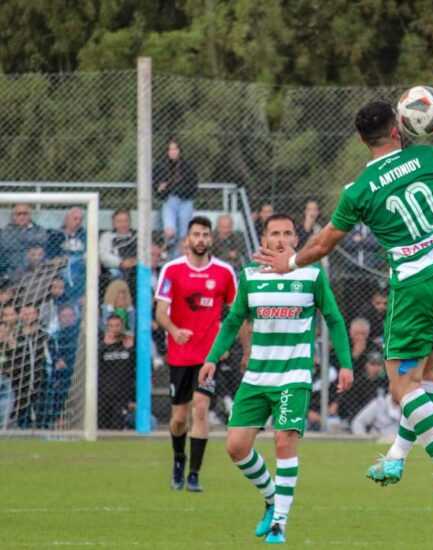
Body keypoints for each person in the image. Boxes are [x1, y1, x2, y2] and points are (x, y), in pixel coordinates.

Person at [254, 100, 433, 518]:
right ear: (398, 128)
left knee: (402, 387)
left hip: (416, 286)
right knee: (427, 377)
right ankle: (397, 456)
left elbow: (324, 243)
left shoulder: (359, 189)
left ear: (361, 139)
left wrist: (289, 262)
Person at [200, 213, 353, 544]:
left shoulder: (311, 274)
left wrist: (345, 363)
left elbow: (334, 319)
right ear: (264, 240)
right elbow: (233, 321)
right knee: (236, 447)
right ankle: (272, 498)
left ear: (296, 239)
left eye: (287, 233)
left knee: (284, 442)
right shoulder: (250, 276)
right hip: (257, 376)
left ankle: (279, 523)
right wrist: (212, 357)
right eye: (275, 234)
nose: (281, 239)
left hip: (293, 375)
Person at [155, 216, 238, 492]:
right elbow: (160, 312)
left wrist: (229, 344)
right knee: (179, 418)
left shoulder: (224, 272)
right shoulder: (172, 270)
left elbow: (236, 314)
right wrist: (174, 330)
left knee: (200, 409)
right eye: (196, 235)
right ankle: (179, 459)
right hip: (180, 354)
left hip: (208, 356)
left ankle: (194, 475)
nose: (201, 239)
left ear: (211, 239)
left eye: (205, 235)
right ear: (187, 239)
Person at [153, 138, 199, 251]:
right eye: (170, 149)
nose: (173, 152)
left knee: (183, 235)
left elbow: (193, 187)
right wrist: (162, 189)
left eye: (175, 149)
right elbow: (157, 188)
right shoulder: (161, 166)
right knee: (170, 231)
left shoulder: (187, 166)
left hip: (185, 201)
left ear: (180, 150)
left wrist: (170, 187)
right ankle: (167, 249)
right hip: (170, 201)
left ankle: (178, 256)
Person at [98, 315, 135, 429]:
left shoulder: (129, 344)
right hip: (103, 394)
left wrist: (131, 348)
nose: (114, 329)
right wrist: (104, 345)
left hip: (123, 394)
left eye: (117, 325)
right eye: (111, 326)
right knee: (101, 427)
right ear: (107, 327)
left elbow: (137, 367)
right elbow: (95, 366)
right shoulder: (101, 345)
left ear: (122, 327)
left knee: (117, 427)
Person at [0, 204, 48, 277]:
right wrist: (29, 241)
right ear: (13, 216)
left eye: (25, 213)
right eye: (18, 214)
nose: (22, 216)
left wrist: (19, 237)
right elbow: (7, 244)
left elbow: (42, 240)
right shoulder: (6, 231)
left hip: (35, 266)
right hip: (13, 267)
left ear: (30, 215)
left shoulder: (38, 229)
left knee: (36, 252)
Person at [98, 208, 137, 290]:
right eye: (119, 221)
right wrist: (121, 263)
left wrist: (135, 261)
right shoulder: (107, 236)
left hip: (135, 269)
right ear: (114, 224)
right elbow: (103, 255)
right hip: (116, 270)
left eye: (126, 221)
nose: (123, 224)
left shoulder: (136, 236)